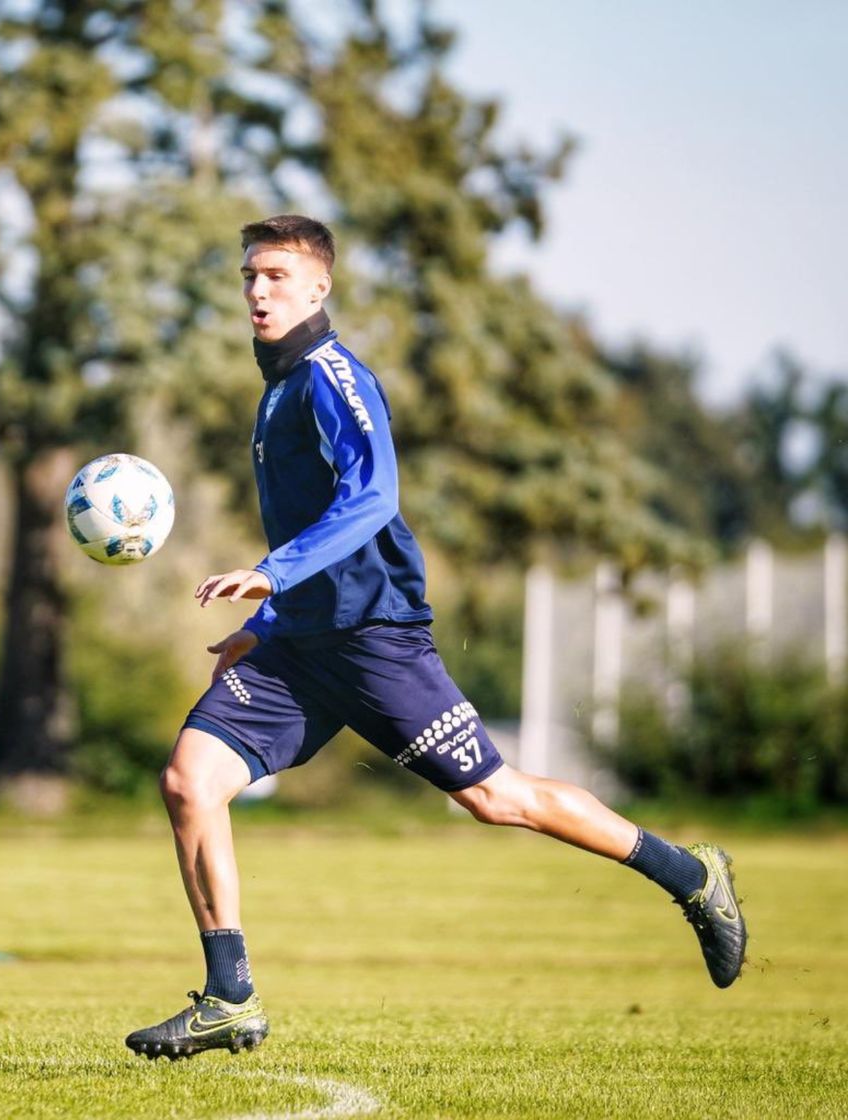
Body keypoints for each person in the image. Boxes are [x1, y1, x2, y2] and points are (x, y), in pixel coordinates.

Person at [124, 215, 747, 1061]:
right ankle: (230, 997)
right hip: (301, 651)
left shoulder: (333, 377)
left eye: (274, 275)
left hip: (377, 640)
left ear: (319, 287)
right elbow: (318, 525)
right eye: (248, 277)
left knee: (495, 799)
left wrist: (275, 571)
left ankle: (691, 874)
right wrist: (266, 623)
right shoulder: (274, 392)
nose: (257, 291)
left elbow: (373, 497)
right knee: (190, 782)